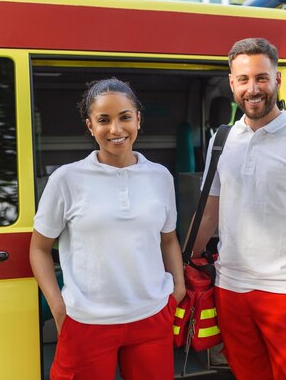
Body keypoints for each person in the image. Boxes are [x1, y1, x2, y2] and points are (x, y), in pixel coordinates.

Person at [189, 37, 286, 380]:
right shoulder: (222, 139)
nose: (253, 88)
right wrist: (181, 267)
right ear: (232, 84)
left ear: (276, 79)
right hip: (230, 288)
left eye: (261, 78)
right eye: (243, 80)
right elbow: (209, 214)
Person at [29, 78, 185, 380]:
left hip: (152, 317)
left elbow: (168, 240)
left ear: (138, 119)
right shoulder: (66, 179)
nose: (116, 129)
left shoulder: (160, 177)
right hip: (87, 322)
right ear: (90, 126)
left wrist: (177, 289)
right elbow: (39, 248)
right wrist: (59, 308)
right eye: (104, 120)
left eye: (125, 117)